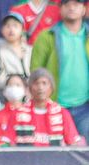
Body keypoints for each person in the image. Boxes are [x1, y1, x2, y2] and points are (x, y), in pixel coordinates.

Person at [31, 0, 89, 141]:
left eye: (77, 4)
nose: (71, 7)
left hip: (85, 107)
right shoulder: (46, 36)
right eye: (67, 4)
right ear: (60, 9)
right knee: (52, 154)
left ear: (84, 10)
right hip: (54, 106)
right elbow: (35, 72)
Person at [4, 67, 84, 146]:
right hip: (25, 158)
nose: (40, 87)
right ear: (30, 88)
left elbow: (73, 145)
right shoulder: (17, 114)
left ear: (51, 88)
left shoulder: (62, 114)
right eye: (36, 83)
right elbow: (9, 145)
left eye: (44, 83)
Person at [0, 11, 32, 91]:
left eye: (15, 26)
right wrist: (13, 84)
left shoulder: (30, 49)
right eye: (7, 26)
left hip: (31, 91)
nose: (11, 29)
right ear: (2, 30)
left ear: (22, 29)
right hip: (9, 91)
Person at [0, 74, 27, 146]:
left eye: (18, 85)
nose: (14, 88)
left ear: (25, 90)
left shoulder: (30, 115)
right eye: (10, 85)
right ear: (5, 91)